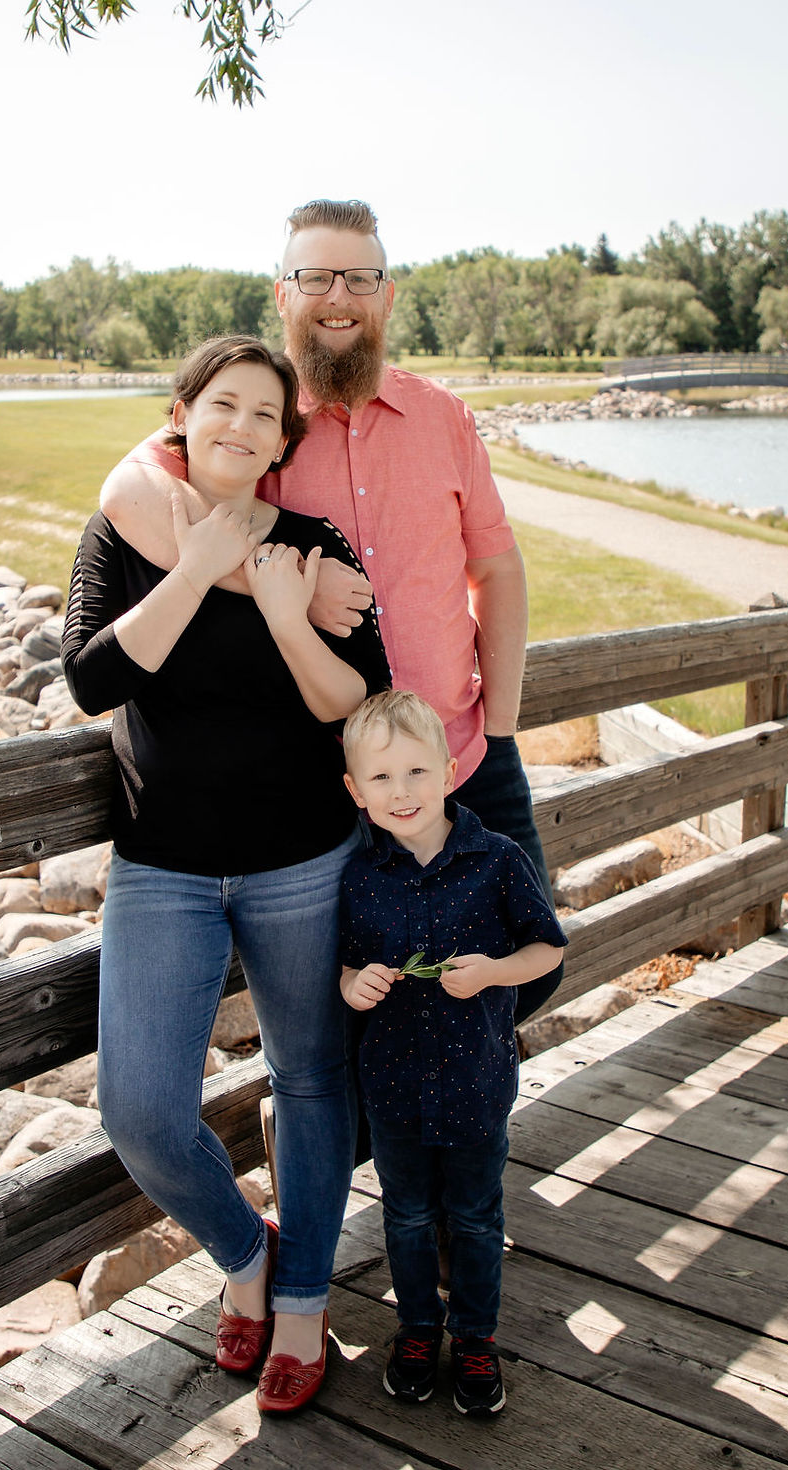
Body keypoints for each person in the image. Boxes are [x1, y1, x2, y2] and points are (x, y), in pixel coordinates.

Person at [100, 198, 563, 1025]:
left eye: (359, 278)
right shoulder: (256, 422)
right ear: (283, 295)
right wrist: (277, 584)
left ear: (388, 296)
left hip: (462, 756)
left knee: (524, 975)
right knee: (354, 1010)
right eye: (315, 277)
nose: (338, 296)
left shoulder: (445, 418)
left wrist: (500, 728)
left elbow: (496, 568)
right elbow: (129, 490)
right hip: (331, 781)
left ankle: (465, 1098)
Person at [62, 336, 390, 1415]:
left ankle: (300, 1298)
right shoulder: (122, 529)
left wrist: (287, 609)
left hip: (305, 862)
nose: (241, 427)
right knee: (141, 1111)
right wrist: (198, 568)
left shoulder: (312, 546)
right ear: (182, 413)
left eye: (265, 415)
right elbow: (91, 679)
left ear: (283, 442)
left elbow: (360, 699)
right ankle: (247, 1253)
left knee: (310, 1078)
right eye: (223, 404)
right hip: (163, 867)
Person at [338, 690, 567, 1415]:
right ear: (355, 791)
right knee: (405, 1215)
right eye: (381, 778)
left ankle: (474, 1336)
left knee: (474, 1216)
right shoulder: (359, 877)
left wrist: (495, 972)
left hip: (476, 1083)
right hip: (395, 1088)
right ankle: (416, 1328)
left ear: (450, 770)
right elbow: (344, 966)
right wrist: (354, 985)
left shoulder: (496, 861)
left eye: (416, 771)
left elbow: (547, 949)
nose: (401, 791)